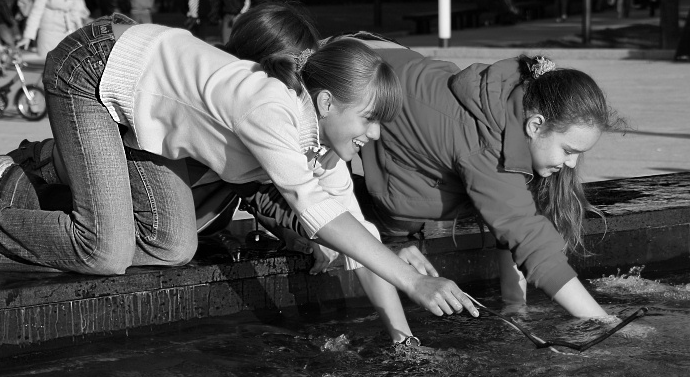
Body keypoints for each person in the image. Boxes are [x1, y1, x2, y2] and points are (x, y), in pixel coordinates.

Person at [0, 6, 479, 345]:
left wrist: (404, 340)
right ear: (329, 100)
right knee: (105, 249)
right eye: (370, 121)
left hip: (144, 117)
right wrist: (416, 281)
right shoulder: (273, 108)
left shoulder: (320, 145)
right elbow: (317, 213)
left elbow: (355, 232)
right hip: (93, 70)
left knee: (174, 246)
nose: (376, 137)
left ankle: (16, 196)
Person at [222, 33, 628, 322]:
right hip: (353, 80)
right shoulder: (479, 146)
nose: (571, 165)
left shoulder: (510, 108)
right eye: (569, 151)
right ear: (536, 125)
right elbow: (526, 236)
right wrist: (601, 322)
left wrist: (514, 308)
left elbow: (513, 222)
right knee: (299, 181)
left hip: (381, 63)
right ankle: (255, 194)